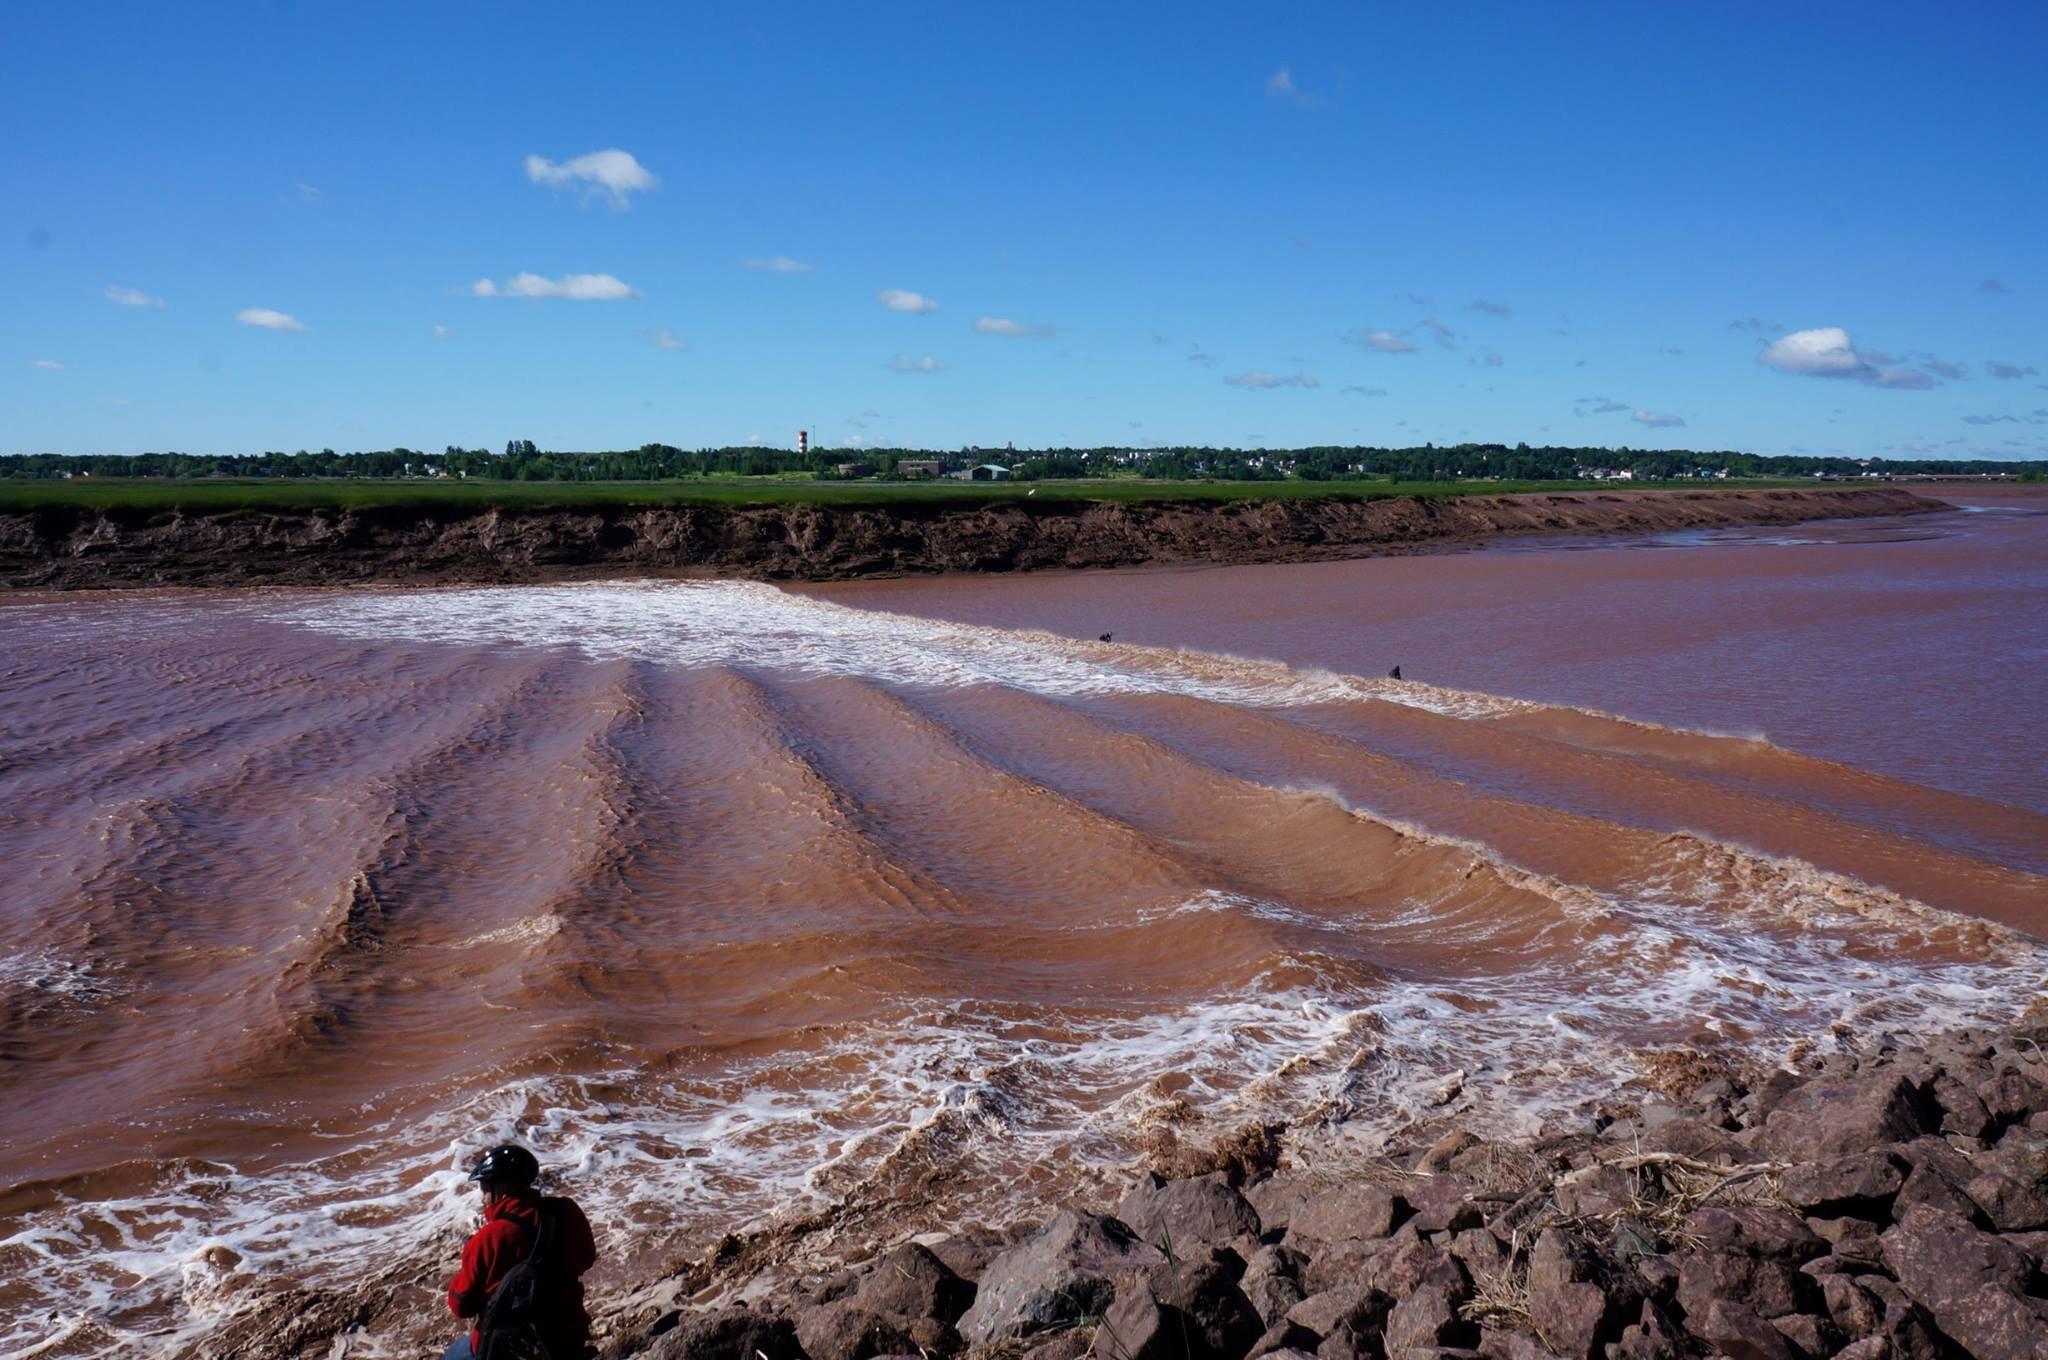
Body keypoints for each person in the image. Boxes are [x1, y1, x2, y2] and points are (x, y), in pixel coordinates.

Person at [442, 1143, 598, 1360]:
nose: (482, 1198)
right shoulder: (565, 1210)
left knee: (453, 1355)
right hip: (568, 1336)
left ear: (502, 1189)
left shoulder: (487, 1238)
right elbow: (587, 1259)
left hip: (511, 1349)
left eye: (485, 1189)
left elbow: (460, 1307)